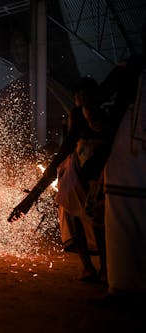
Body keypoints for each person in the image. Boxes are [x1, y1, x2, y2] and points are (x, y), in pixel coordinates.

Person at [8, 77, 110, 283]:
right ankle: (89, 267)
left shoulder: (109, 116)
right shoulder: (76, 116)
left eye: (86, 95)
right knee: (75, 217)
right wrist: (31, 198)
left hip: (98, 172)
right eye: (78, 96)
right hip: (76, 171)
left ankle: (106, 269)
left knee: (100, 220)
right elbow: (67, 146)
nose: (82, 100)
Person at [100, 23, 146, 305]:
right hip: (127, 152)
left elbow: (104, 96)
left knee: (122, 219)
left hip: (128, 151)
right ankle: (123, 286)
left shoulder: (132, 67)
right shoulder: (132, 67)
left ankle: (125, 288)